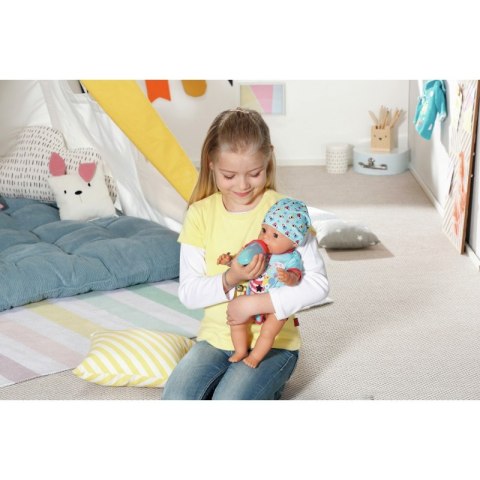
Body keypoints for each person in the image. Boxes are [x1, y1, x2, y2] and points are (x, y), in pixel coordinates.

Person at [162, 107, 329, 400]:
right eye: (229, 175)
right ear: (211, 164)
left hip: (274, 343)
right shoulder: (200, 214)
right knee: (176, 400)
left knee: (229, 401)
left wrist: (254, 304)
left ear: (268, 159)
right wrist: (231, 278)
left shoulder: (286, 213)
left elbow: (318, 285)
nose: (242, 186)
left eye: (254, 173)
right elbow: (189, 294)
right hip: (215, 339)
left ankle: (267, 384)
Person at [217, 197, 311, 368]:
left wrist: (288, 277)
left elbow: (296, 277)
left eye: (275, 235)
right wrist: (230, 261)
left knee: (269, 331)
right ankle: (240, 350)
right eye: (264, 230)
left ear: (293, 242)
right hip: (251, 295)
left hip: (275, 305)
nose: (265, 238)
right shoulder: (256, 248)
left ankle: (255, 356)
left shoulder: (292, 258)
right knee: (236, 321)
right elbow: (242, 262)